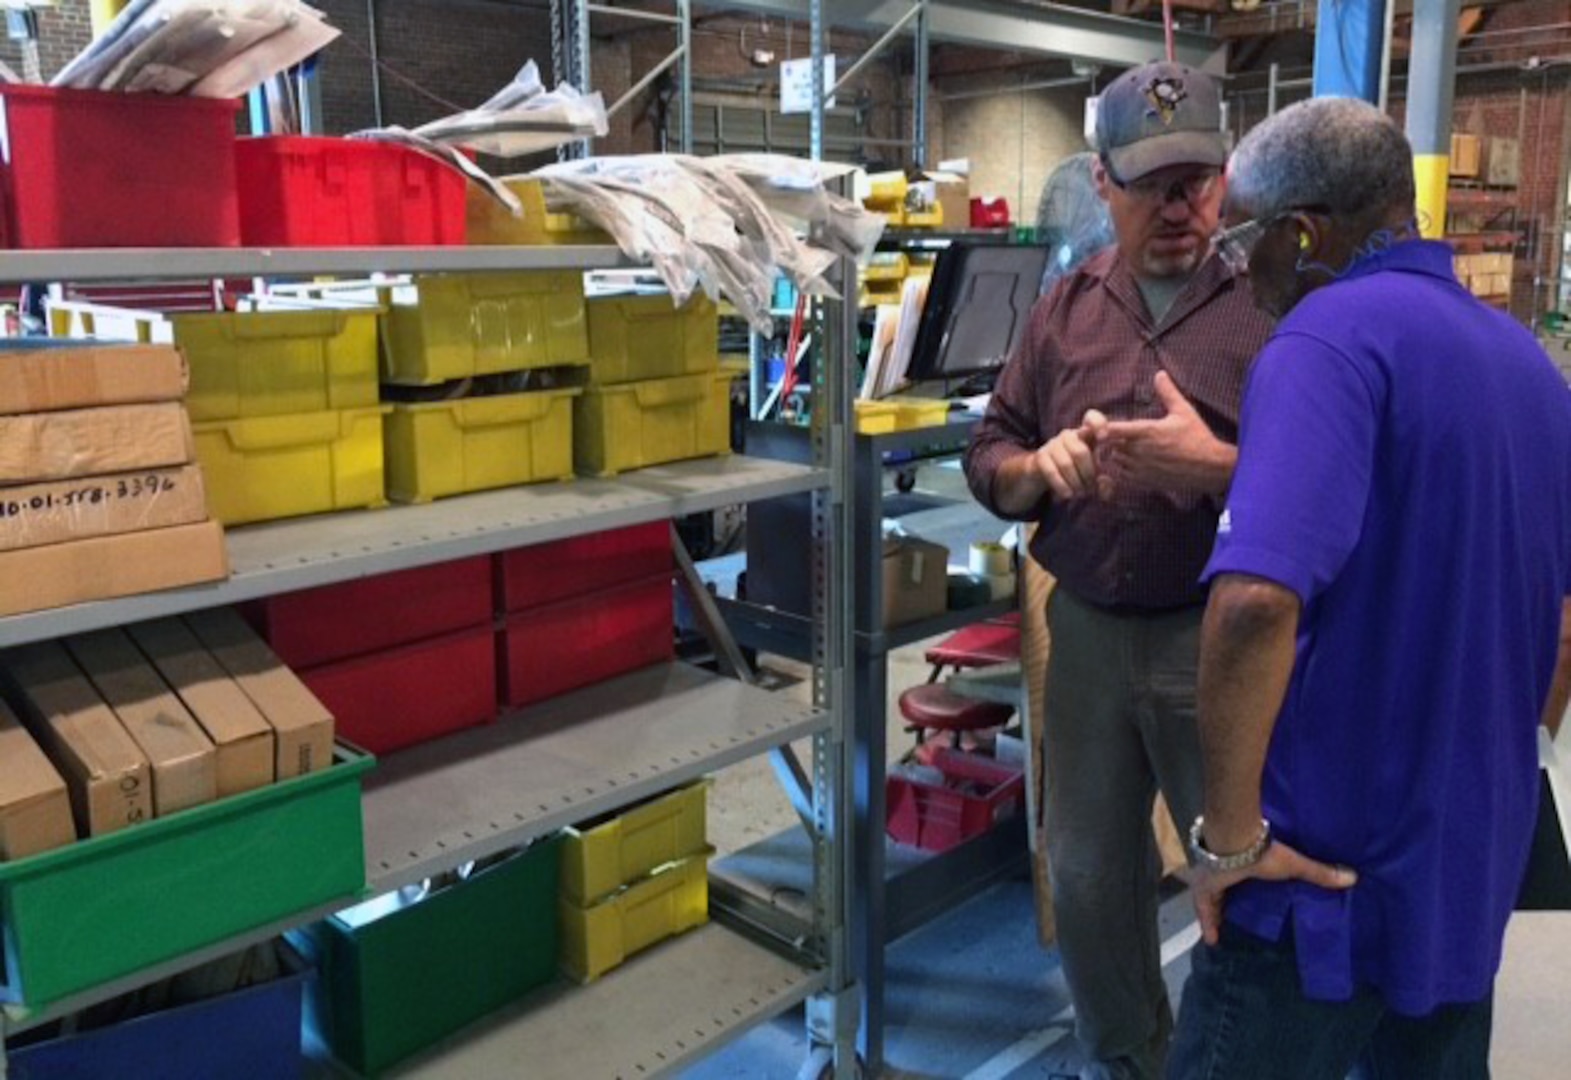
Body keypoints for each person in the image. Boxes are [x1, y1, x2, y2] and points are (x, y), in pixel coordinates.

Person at [1165, 97, 1571, 1079]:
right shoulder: (1525, 363)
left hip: (1314, 893)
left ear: (1299, 236)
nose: (1231, 269)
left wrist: (1224, 843)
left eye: (1240, 242)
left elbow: (1254, 602)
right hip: (1460, 875)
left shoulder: (1319, 345)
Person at [963, 60, 1274, 1080]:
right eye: (1150, 183)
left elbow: (1325, 488)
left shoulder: (1267, 315)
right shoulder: (1061, 311)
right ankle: (1123, 1061)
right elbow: (991, 447)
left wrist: (1218, 468)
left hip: (1215, 638)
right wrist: (1029, 471)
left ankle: (1229, 1062)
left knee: (1237, 873)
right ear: (1100, 183)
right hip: (1087, 634)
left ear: (1224, 180)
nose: (1179, 207)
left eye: (1196, 179)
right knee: (1090, 877)